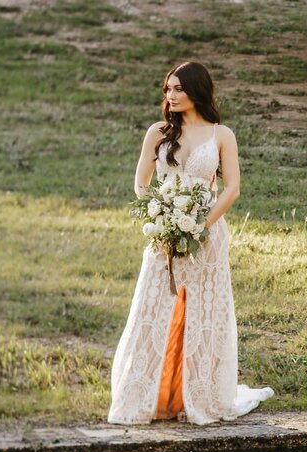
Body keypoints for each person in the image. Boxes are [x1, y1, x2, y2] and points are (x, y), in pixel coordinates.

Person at [108, 62, 273, 425]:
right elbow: (141, 183)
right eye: (168, 89)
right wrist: (159, 216)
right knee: (155, 308)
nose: (171, 95)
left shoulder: (221, 135)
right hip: (163, 235)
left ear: (197, 90)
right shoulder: (158, 132)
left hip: (207, 236)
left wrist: (202, 225)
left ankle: (197, 395)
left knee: (202, 313)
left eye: (179, 88)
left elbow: (232, 189)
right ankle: (153, 396)